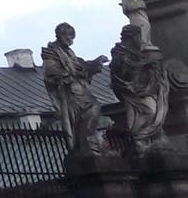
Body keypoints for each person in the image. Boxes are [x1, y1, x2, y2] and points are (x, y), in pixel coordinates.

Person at [40, 23, 107, 155]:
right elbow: (52, 73)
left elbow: (81, 67)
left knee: (86, 115)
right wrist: (68, 76)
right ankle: (87, 144)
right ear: (59, 35)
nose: (70, 39)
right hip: (69, 90)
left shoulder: (69, 53)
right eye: (67, 36)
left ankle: (87, 144)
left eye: (72, 36)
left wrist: (95, 63)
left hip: (79, 88)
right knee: (92, 109)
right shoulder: (51, 52)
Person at [110, 22, 171, 154]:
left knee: (154, 111)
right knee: (149, 111)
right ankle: (138, 138)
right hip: (131, 90)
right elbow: (120, 71)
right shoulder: (119, 52)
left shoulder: (137, 51)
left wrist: (154, 67)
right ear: (131, 37)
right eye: (137, 36)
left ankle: (150, 138)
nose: (139, 39)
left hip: (144, 88)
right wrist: (143, 64)